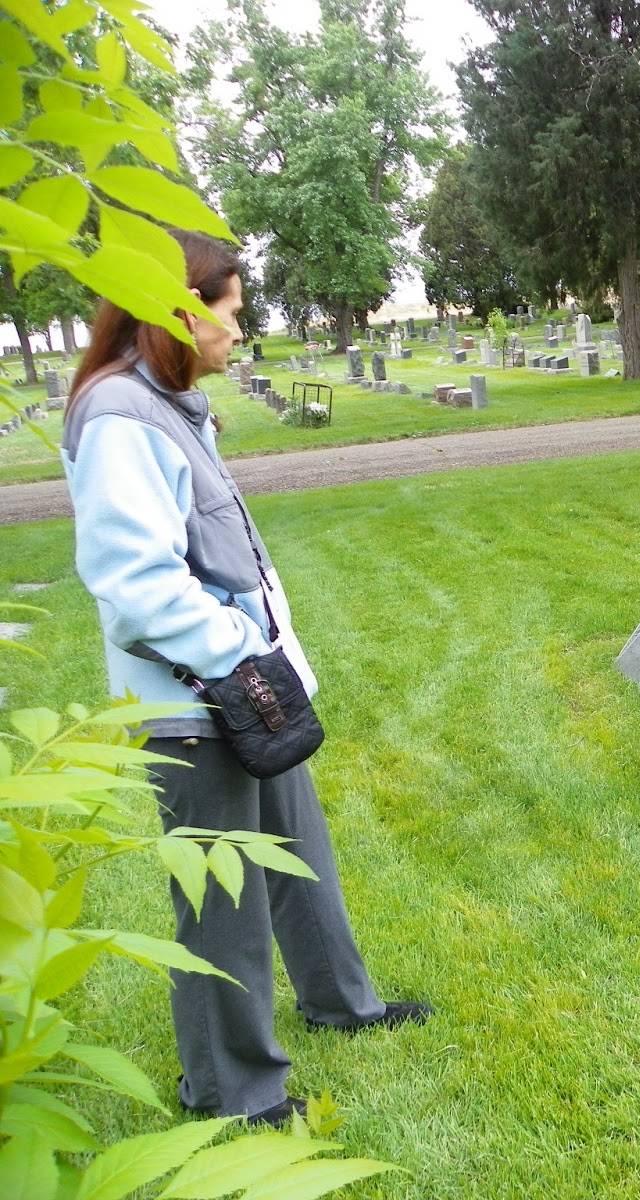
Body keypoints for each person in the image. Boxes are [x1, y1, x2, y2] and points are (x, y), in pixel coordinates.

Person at [62, 230, 430, 1127]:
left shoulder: (168, 402)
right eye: (229, 314)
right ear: (177, 312)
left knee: (300, 856)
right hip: (196, 703)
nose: (240, 332)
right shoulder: (119, 416)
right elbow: (135, 583)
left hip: (246, 686)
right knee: (222, 900)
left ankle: (344, 1003)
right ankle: (232, 1092)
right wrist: (236, 647)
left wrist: (265, 655)